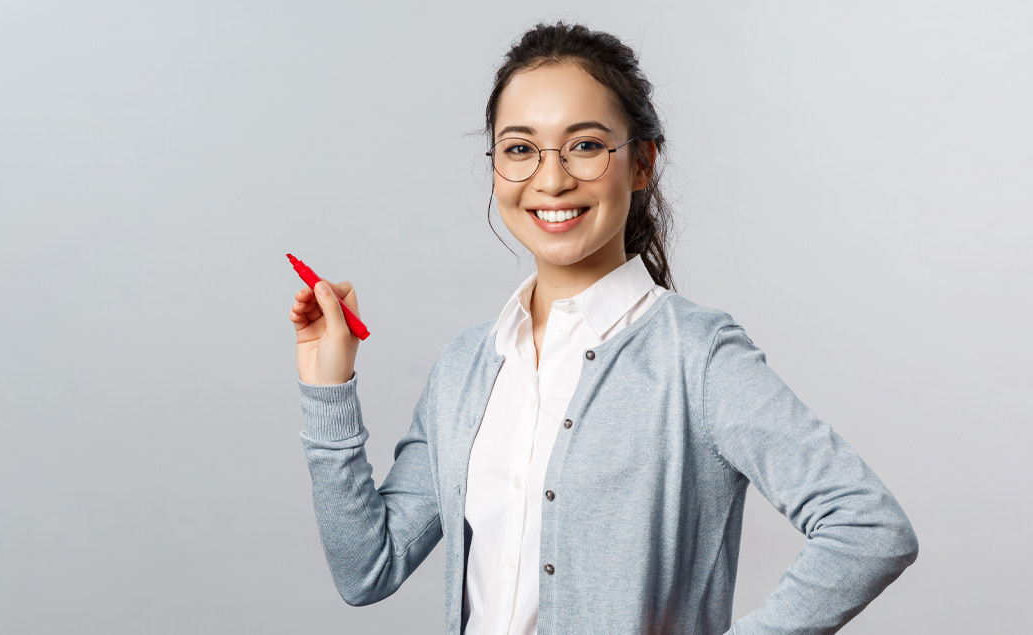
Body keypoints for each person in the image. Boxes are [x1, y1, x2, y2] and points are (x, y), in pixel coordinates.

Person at [287, 21, 918, 635]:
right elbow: (367, 569)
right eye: (520, 148)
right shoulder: (467, 365)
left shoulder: (692, 358)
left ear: (641, 163)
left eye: (586, 145)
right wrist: (328, 388)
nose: (552, 177)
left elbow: (868, 527)